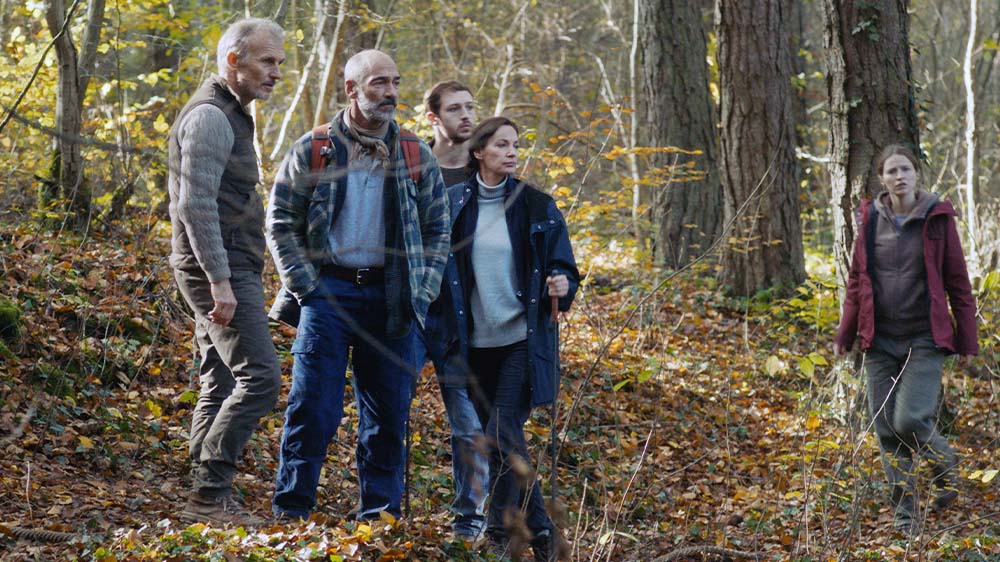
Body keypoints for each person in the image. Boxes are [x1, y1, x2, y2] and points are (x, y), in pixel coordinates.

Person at [266, 49, 450, 522]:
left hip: (393, 299)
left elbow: (437, 230)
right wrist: (305, 287)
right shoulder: (314, 148)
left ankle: (380, 518)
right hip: (328, 295)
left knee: (388, 415)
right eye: (378, 84)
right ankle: (292, 511)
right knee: (314, 408)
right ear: (351, 89)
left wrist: (422, 291)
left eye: (395, 82)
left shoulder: (414, 153)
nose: (391, 92)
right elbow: (281, 220)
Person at [438, 116, 579, 561]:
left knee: (499, 432)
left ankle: (535, 533)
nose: (512, 152)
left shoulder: (538, 206)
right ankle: (513, 538)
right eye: (501, 145)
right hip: (475, 343)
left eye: (515, 145)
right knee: (496, 441)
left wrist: (561, 283)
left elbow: (564, 267)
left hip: (523, 337)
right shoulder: (455, 203)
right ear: (479, 152)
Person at [167, 17, 285, 525]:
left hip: (229, 264)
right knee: (260, 377)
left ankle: (202, 495)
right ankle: (209, 496)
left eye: (279, 62)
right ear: (233, 61)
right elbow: (195, 206)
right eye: (267, 60)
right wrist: (219, 280)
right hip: (218, 268)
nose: (276, 72)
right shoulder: (212, 116)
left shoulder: (234, 113)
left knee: (219, 378)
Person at [833, 144, 978, 535]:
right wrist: (845, 334)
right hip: (879, 340)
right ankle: (905, 516)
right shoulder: (869, 220)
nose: (900, 177)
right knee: (884, 427)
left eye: (906, 170)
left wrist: (967, 342)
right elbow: (855, 283)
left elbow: (959, 285)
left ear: (917, 175)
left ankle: (944, 462)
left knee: (910, 418)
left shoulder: (938, 220)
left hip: (924, 338)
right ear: (882, 178)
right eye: (892, 171)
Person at [412, 80, 489, 541]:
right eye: (455, 108)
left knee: (468, 425)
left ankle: (469, 523)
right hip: (414, 311)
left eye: (470, 107)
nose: (466, 116)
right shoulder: (408, 168)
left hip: (466, 321)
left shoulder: (488, 178)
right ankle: (380, 515)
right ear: (433, 119)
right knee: (388, 415)